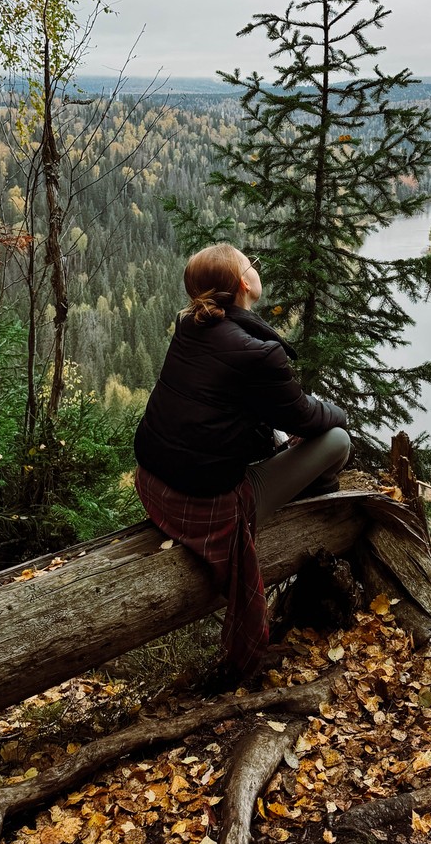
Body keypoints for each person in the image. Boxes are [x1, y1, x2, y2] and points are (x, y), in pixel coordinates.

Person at [134, 243, 350, 680]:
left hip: (154, 485)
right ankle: (314, 495)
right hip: (206, 507)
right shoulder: (259, 353)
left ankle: (288, 481)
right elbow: (307, 418)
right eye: (251, 265)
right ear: (242, 283)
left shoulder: (189, 324)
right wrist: (337, 412)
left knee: (276, 433)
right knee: (338, 440)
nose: (256, 269)